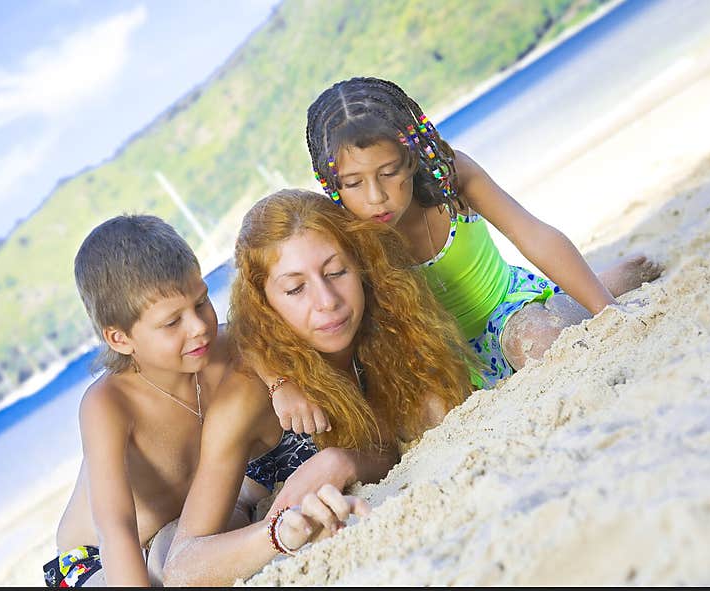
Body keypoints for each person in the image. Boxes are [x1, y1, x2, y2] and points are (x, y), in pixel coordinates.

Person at [265, 76, 662, 431]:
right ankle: (586, 291)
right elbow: (258, 320)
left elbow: (532, 234)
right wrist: (280, 385)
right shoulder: (344, 228)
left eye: (389, 173)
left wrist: (609, 311)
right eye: (353, 182)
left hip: (506, 310)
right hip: (436, 351)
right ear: (330, 182)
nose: (376, 196)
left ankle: (598, 289)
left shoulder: (450, 178)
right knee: (428, 421)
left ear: (413, 155)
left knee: (542, 341)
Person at [162, 188, 475, 586]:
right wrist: (277, 533)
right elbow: (182, 566)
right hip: (249, 508)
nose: (327, 301)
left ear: (360, 264)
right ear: (264, 303)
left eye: (335, 272)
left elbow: (399, 441)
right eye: (295, 289)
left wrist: (342, 462)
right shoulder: (248, 394)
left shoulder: (388, 326)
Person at [42, 214, 251, 587]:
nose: (198, 326)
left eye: (201, 302)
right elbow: (115, 529)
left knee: (213, 533)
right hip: (98, 557)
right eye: (172, 323)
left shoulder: (225, 348)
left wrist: (283, 383)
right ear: (120, 339)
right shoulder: (108, 404)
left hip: (183, 525)